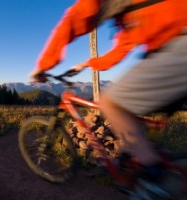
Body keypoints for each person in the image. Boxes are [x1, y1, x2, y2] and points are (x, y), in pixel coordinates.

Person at [30, 0, 187, 192]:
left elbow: (77, 16)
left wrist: (43, 65)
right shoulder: (129, 17)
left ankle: (151, 180)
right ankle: (146, 160)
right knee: (126, 110)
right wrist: (87, 64)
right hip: (173, 47)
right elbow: (120, 50)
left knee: (109, 102)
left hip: (180, 45)